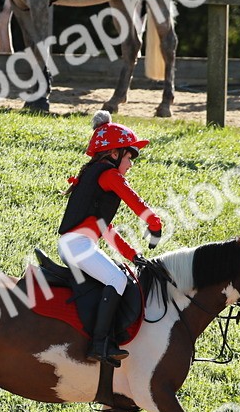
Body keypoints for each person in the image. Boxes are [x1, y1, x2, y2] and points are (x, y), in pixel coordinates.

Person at [57, 111, 163, 367]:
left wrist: (134, 255)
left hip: (76, 245)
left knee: (120, 274)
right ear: (114, 154)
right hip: (77, 246)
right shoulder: (108, 174)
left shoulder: (97, 176)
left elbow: (107, 229)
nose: (131, 164)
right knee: (117, 279)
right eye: (129, 156)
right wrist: (155, 223)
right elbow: (133, 199)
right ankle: (99, 345)